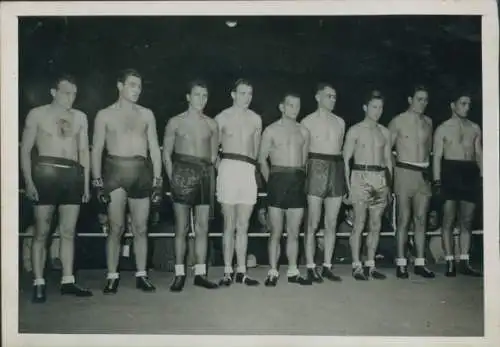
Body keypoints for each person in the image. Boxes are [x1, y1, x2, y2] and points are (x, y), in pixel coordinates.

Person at [20, 74, 93, 303]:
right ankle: (39, 282)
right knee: (42, 230)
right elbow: (25, 150)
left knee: (68, 231)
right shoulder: (38, 114)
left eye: (73, 93)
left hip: (72, 173)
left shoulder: (80, 117)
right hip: (46, 171)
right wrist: (28, 181)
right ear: (53, 92)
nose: (70, 97)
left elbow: (83, 152)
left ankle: (68, 280)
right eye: (65, 92)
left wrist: (86, 181)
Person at [91, 69, 163, 294]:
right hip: (115, 170)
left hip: (141, 170)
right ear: (120, 85)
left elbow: (154, 148)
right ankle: (112, 276)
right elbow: (97, 150)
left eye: (139, 86)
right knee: (116, 227)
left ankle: (142, 275)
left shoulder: (147, 114)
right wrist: (97, 181)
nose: (136, 90)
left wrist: (158, 180)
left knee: (141, 227)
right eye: (132, 85)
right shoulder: (104, 114)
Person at [163, 80, 219, 292]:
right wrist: (173, 179)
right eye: (197, 95)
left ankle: (200, 273)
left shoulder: (212, 124)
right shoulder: (175, 122)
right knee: (181, 227)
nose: (201, 100)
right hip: (182, 171)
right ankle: (179, 274)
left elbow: (213, 156)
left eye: (205, 96)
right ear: (188, 97)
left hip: (205, 172)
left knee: (203, 226)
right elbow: (166, 154)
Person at [258, 92, 313, 286]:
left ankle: (293, 271)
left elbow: (304, 161)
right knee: (275, 231)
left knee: (294, 231)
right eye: (290, 105)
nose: (294, 109)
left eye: (297, 106)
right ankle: (272, 271)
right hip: (277, 179)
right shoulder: (271, 130)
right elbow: (261, 159)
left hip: (297, 180)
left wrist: (300, 179)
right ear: (282, 107)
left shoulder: (304, 132)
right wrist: (271, 180)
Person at [215, 79, 262, 286]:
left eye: (250, 93)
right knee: (229, 224)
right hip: (228, 167)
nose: (247, 98)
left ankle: (241, 271)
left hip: (247, 169)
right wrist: (223, 169)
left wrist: (250, 170)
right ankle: (227, 271)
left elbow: (257, 151)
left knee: (244, 224)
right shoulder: (221, 118)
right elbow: (212, 151)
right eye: (242, 93)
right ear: (233, 94)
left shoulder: (256, 119)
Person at [343, 90, 393, 280]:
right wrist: (347, 186)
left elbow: (388, 160)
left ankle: (371, 264)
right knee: (359, 223)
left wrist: (389, 185)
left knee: (376, 224)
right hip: (360, 176)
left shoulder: (385, 132)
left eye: (380, 108)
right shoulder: (355, 130)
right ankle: (357, 265)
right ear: (365, 108)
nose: (377, 111)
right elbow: (346, 159)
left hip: (380, 178)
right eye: (374, 107)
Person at [432, 92, 482, 277]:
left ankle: (464, 262)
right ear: (453, 105)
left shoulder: (475, 128)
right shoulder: (443, 128)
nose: (467, 107)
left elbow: (478, 154)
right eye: (463, 103)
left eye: (469, 104)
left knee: (467, 221)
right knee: (448, 219)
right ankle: (450, 262)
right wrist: (437, 181)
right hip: (450, 171)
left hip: (469, 172)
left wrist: (483, 176)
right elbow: (437, 156)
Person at [388, 86, 435, 279]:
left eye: (425, 100)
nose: (422, 103)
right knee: (403, 219)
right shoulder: (397, 121)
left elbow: (428, 150)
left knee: (421, 219)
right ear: (410, 99)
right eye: (419, 99)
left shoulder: (429, 122)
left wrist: (429, 174)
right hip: (403, 171)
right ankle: (401, 263)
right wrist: (392, 175)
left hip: (422, 173)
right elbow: (386, 152)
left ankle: (420, 263)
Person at [300, 83, 345, 283]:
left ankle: (327, 265)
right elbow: (302, 154)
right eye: (328, 96)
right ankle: (310, 266)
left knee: (332, 222)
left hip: (335, 167)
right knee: (313, 221)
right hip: (315, 167)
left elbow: (341, 151)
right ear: (318, 97)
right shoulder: (307, 122)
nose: (332, 100)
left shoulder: (340, 122)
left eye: (334, 96)